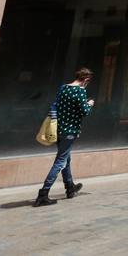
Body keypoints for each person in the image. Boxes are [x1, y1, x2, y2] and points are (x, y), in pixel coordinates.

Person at [34, 67, 95, 206]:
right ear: (86, 79)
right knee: (60, 161)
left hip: (59, 129)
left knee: (66, 158)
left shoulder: (63, 88)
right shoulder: (80, 91)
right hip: (70, 131)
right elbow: (84, 112)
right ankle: (43, 193)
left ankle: (70, 187)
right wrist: (89, 104)